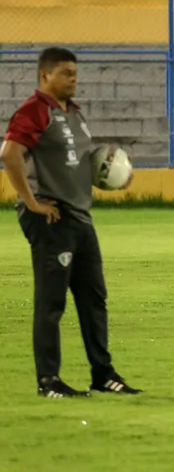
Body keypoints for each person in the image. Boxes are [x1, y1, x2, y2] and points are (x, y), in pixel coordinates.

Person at [1, 47, 141, 397]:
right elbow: (9, 154)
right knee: (51, 303)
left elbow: (78, 162)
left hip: (79, 216)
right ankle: (48, 381)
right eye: (66, 73)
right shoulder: (35, 111)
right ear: (45, 75)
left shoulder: (75, 114)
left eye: (75, 73)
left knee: (94, 298)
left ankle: (103, 375)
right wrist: (31, 202)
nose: (73, 79)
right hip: (52, 217)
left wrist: (112, 173)